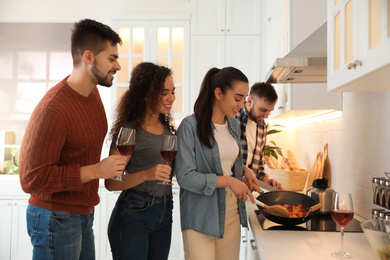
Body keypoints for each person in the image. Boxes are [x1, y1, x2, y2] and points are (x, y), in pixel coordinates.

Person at [19, 19, 127, 259]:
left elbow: (80, 150)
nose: (118, 66)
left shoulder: (92, 93)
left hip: (82, 213)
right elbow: (31, 179)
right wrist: (96, 170)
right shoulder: (53, 109)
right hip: (54, 217)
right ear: (89, 57)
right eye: (111, 58)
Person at [175, 67, 259, 260]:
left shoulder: (234, 125)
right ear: (218, 93)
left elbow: (227, 159)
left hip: (231, 209)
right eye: (237, 98)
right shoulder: (190, 127)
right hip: (200, 213)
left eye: (244, 99)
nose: (241, 105)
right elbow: (185, 177)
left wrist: (244, 170)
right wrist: (230, 181)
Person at [106, 62, 176, 260]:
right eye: (164, 92)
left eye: (172, 91)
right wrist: (148, 174)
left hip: (165, 211)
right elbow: (111, 182)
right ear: (146, 94)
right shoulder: (130, 130)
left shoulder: (169, 130)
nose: (171, 98)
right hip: (134, 213)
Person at [236, 82, 284, 190]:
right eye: (263, 110)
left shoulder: (262, 126)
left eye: (270, 111)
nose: (266, 116)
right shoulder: (233, 117)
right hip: (232, 190)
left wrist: (266, 180)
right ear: (249, 101)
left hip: (250, 191)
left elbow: (259, 164)